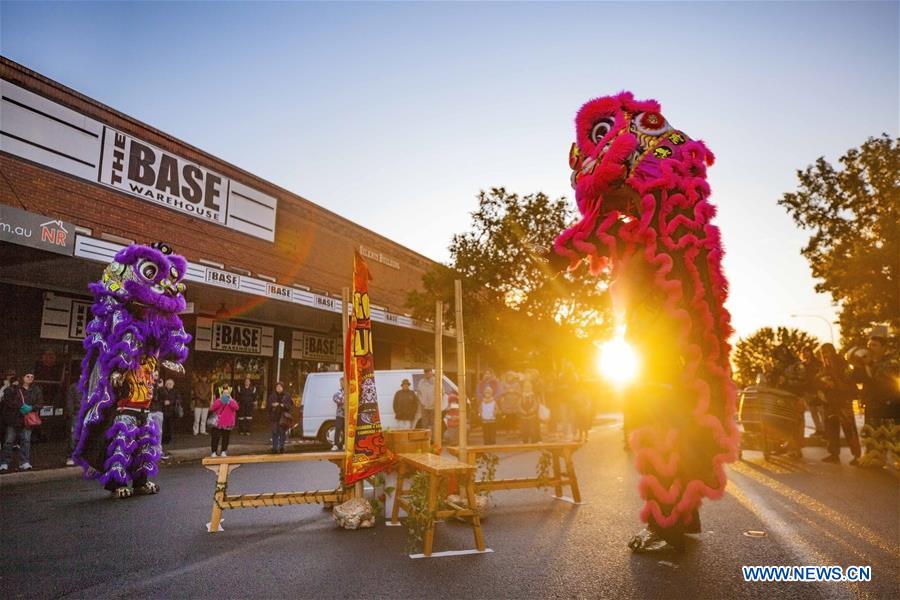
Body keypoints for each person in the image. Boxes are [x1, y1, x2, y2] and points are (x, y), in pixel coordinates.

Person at [817, 343, 861, 465]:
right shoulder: (824, 367)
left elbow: (849, 382)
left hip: (843, 402)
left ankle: (857, 455)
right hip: (830, 403)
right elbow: (818, 381)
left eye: (827, 352)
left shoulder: (843, 365)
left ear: (833, 351)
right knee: (832, 429)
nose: (825, 355)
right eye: (823, 352)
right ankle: (833, 454)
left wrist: (835, 383)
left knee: (849, 429)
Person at [0, 372, 43, 471]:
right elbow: (7, 400)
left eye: (32, 376)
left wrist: (31, 408)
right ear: (22, 377)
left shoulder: (36, 390)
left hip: (27, 420)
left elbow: (40, 404)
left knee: (26, 440)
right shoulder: (14, 388)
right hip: (14, 419)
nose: (30, 378)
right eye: (27, 376)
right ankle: (4, 462)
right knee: (9, 441)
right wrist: (20, 406)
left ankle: (24, 462)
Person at [209, 385, 238, 457]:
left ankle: (223, 451)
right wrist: (220, 401)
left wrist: (230, 400)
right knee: (215, 438)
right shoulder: (218, 400)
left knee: (226, 438)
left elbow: (236, 407)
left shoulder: (232, 401)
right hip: (218, 423)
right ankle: (213, 451)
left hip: (227, 423)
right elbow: (213, 408)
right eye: (224, 393)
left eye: (227, 393)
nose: (226, 394)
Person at [268, 382, 293, 454]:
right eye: (277, 387)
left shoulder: (287, 395)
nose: (278, 388)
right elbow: (268, 406)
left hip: (284, 417)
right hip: (274, 417)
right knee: (274, 432)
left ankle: (282, 447)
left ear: (282, 387)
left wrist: (284, 405)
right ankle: (274, 448)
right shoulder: (272, 396)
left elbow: (290, 405)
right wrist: (273, 405)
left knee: (282, 433)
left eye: (280, 387)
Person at [148, 371, 166, 461]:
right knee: (149, 432)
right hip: (149, 411)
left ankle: (158, 451)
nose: (156, 376)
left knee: (159, 432)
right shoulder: (148, 383)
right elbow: (150, 396)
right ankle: (149, 450)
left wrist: (161, 387)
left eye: (157, 374)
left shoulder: (159, 386)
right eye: (154, 374)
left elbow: (165, 396)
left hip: (158, 410)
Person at [416, 368, 437, 434]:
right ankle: (426, 440)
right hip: (424, 407)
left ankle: (433, 440)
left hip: (434, 407)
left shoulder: (436, 381)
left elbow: (442, 393)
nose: (427, 374)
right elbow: (418, 393)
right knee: (425, 424)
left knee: (434, 424)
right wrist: (422, 402)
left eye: (428, 372)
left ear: (431, 372)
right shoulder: (421, 381)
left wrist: (435, 402)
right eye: (426, 372)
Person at [161, 378, 180, 446]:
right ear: (166, 384)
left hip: (172, 411)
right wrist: (164, 402)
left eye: (171, 384)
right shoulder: (163, 390)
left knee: (170, 426)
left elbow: (178, 400)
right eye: (168, 384)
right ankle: (163, 439)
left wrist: (170, 402)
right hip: (164, 411)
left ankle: (170, 439)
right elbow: (160, 398)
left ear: (173, 385)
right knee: (164, 426)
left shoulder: (175, 391)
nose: (169, 385)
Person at [65, 380, 80, 465]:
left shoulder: (91, 385)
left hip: (87, 413)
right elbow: (69, 401)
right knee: (73, 436)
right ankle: (70, 456)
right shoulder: (73, 386)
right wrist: (71, 414)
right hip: (77, 413)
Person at [332, 378, 346, 451]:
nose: (341, 384)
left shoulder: (350, 391)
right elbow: (335, 399)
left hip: (347, 415)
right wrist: (343, 399)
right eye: (341, 383)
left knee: (345, 430)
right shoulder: (339, 392)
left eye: (342, 382)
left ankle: (344, 444)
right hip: (340, 415)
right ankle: (336, 445)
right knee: (338, 429)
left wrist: (343, 399)